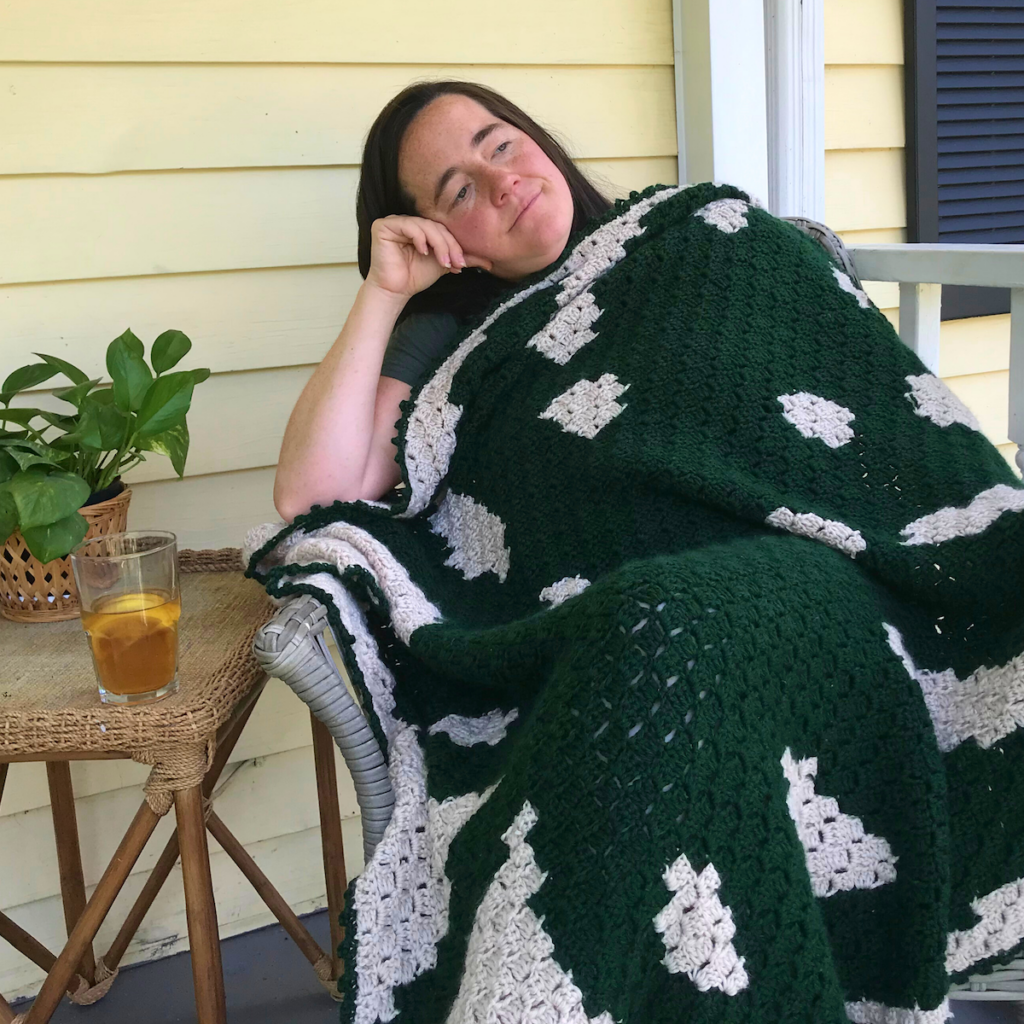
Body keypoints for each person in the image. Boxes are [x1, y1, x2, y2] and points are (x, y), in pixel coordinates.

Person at [273, 81, 612, 522]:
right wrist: (383, 292)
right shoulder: (450, 336)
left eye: (501, 146)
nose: (502, 181)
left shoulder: (680, 237)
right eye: (460, 192)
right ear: (436, 237)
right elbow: (309, 496)